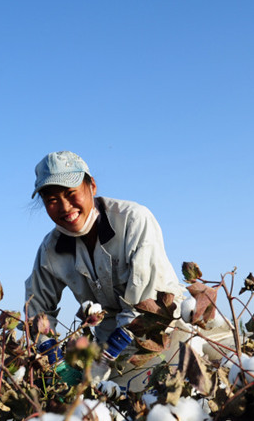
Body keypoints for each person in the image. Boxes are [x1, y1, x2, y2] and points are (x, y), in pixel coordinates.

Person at [24, 150, 185, 391]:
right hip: (109, 339)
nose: (65, 207)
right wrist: (54, 362)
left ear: (92, 186)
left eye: (71, 193)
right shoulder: (51, 250)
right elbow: (36, 312)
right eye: (52, 200)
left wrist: (103, 361)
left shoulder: (133, 220)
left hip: (166, 330)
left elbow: (146, 310)